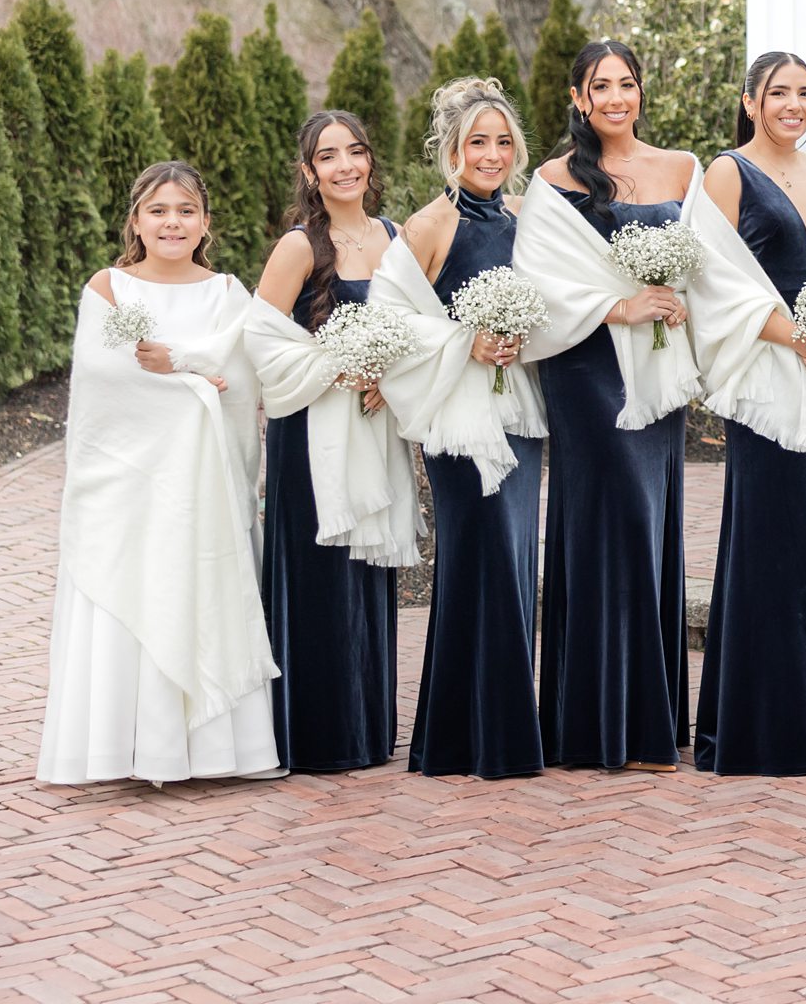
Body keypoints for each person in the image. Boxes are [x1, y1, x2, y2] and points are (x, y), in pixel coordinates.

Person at [39, 161, 281, 785]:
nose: (172, 222)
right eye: (158, 211)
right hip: (129, 484)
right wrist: (194, 382)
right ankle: (122, 749)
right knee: (133, 590)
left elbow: (243, 380)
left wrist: (188, 373)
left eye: (185, 211)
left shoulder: (229, 294)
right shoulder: (109, 289)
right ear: (137, 222)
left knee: (197, 585)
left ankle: (212, 750)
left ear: (205, 222)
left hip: (202, 487)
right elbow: (103, 382)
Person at [687, 51, 806, 774]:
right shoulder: (726, 175)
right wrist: (797, 336)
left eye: (804, 92)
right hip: (772, 383)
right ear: (750, 100)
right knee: (780, 547)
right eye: (778, 93)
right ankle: (772, 727)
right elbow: (714, 285)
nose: (794, 105)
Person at [514, 42, 700, 772]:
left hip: (659, 372)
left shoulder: (683, 168)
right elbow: (536, 282)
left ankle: (649, 721)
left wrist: (678, 301)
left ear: (641, 91)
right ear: (578, 96)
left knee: (651, 524)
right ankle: (596, 723)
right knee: (607, 521)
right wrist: (617, 305)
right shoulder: (553, 181)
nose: (617, 97)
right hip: (588, 369)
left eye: (627, 84)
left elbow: (711, 261)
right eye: (602, 86)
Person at [377, 78, 548, 780]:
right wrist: (464, 340)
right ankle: (469, 739)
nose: (492, 154)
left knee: (514, 562)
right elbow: (391, 318)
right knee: (477, 561)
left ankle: (485, 730)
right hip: (458, 420)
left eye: (503, 141)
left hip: (520, 416)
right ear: (451, 150)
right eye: (478, 141)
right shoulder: (427, 227)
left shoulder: (529, 216)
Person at [248, 112, 409, 773]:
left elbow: (415, 333)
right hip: (312, 434)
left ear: (371, 161)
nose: (346, 165)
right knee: (318, 580)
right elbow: (259, 340)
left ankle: (365, 730)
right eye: (329, 156)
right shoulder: (297, 247)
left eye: (356, 152)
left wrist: (392, 380)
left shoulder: (395, 239)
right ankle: (316, 736)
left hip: (374, 431)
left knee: (367, 574)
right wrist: (335, 365)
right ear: (309, 171)